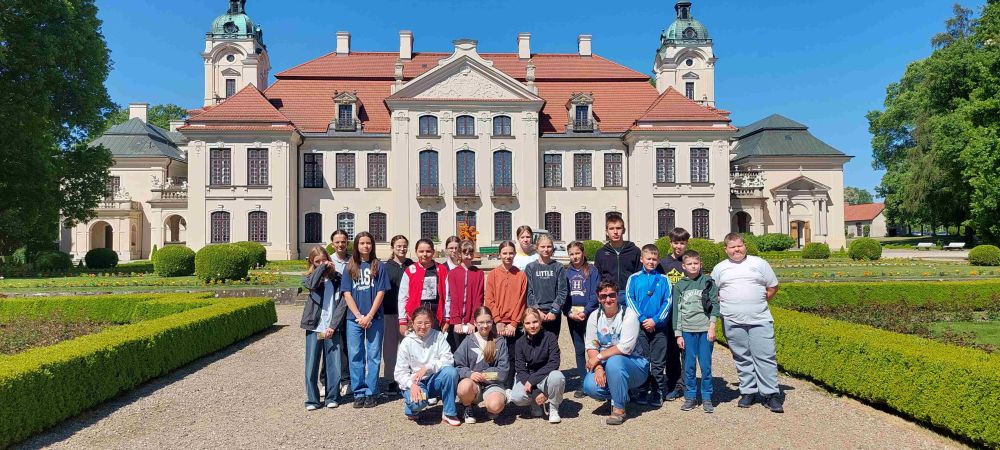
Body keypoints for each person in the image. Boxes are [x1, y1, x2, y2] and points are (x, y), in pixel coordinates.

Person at [711, 232, 783, 413]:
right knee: (741, 357)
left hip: (760, 318)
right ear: (725, 249)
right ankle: (748, 391)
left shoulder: (759, 263)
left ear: (745, 246)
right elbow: (713, 292)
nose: (737, 249)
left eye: (739, 246)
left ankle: (770, 394)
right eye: (732, 247)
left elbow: (773, 287)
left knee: (765, 356)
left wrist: (757, 302)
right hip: (732, 319)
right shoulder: (720, 268)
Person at [582, 281, 649, 425]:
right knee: (589, 386)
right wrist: (598, 368)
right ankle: (621, 393)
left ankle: (619, 409)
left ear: (617, 295)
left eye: (611, 295)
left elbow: (625, 347)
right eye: (603, 296)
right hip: (607, 364)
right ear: (598, 297)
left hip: (635, 364)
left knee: (615, 361)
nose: (608, 299)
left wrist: (598, 358)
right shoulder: (595, 316)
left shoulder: (628, 314)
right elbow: (591, 345)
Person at [341, 232, 389, 408]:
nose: (365, 246)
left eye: (368, 243)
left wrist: (369, 315)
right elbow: (347, 293)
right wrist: (359, 316)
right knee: (356, 355)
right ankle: (358, 392)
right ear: (356, 245)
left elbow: (381, 292)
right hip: (353, 319)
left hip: (374, 317)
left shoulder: (378, 266)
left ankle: (371, 391)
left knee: (374, 355)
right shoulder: (350, 266)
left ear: (372, 245)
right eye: (362, 243)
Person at [394, 307, 462, 426]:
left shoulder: (438, 336)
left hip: (434, 379)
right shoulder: (407, 342)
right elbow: (399, 373)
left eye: (427, 323)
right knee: (418, 403)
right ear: (413, 323)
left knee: (451, 372)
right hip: (416, 382)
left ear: (432, 323)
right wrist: (412, 385)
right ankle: (412, 407)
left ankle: (449, 413)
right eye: (419, 323)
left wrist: (428, 367)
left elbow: (449, 359)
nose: (423, 326)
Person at [625, 244, 672, 408]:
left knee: (658, 361)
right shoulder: (634, 278)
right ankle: (643, 388)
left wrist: (656, 320)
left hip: (659, 327)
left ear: (658, 260)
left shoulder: (664, 279)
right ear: (642, 259)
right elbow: (630, 299)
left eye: (654, 259)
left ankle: (658, 389)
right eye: (648, 259)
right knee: (643, 359)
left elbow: (668, 301)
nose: (651, 262)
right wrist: (643, 318)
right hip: (641, 326)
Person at [672, 250, 720, 413]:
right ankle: (690, 396)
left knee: (706, 366)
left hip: (705, 330)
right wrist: (678, 334)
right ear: (683, 266)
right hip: (687, 331)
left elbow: (715, 304)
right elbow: (676, 311)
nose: (693, 266)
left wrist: (712, 326)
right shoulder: (680, 286)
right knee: (689, 366)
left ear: (701, 265)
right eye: (689, 264)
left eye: (696, 263)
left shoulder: (708, 282)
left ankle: (706, 397)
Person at [301, 245, 346, 410]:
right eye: (317, 261)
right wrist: (320, 269)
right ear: (312, 263)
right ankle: (312, 400)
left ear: (329, 259)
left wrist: (333, 326)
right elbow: (313, 285)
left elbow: (342, 304)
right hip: (314, 326)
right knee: (312, 364)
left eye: (323, 260)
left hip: (332, 327)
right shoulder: (309, 277)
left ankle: (332, 397)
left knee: (333, 364)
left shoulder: (338, 279)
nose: (321, 264)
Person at [454, 306, 510, 424]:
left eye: (488, 322)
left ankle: (492, 407)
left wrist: (485, 375)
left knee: (495, 406)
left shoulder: (499, 341)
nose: (485, 325)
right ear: (475, 323)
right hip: (473, 384)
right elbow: (457, 365)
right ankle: (467, 406)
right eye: (481, 322)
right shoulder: (468, 341)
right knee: (464, 387)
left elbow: (503, 371)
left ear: (492, 321)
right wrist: (470, 374)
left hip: (493, 384)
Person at [510, 307, 565, 424]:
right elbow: (520, 369)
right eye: (528, 323)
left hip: (546, 375)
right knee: (516, 397)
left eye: (535, 322)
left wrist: (532, 381)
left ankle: (554, 407)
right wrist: (534, 392)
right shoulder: (519, 343)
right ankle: (535, 402)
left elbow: (554, 362)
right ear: (523, 324)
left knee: (557, 377)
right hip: (529, 377)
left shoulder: (550, 337)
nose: (532, 326)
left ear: (540, 321)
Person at [485, 240, 527, 387]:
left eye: (510, 253)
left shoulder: (521, 275)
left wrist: (514, 323)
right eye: (505, 253)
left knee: (513, 355)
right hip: (498, 323)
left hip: (514, 324)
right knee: (496, 354)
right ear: (499, 255)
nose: (508, 256)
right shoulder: (493, 275)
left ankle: (509, 386)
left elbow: (522, 301)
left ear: (515, 254)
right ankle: (495, 384)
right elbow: (489, 299)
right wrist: (498, 321)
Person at [656, 227, 689, 402]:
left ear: (686, 244)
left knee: (687, 351)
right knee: (671, 351)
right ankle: (674, 384)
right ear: (670, 243)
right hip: (669, 314)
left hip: (687, 314)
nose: (679, 246)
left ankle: (686, 383)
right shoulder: (663, 264)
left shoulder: (690, 261)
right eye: (676, 242)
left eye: (682, 243)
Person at [564, 241, 600, 398]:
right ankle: (584, 382)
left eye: (577, 253)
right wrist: (568, 312)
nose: (575, 256)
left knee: (594, 348)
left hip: (590, 315)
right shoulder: (566, 272)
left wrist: (586, 311)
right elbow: (563, 296)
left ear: (583, 253)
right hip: (573, 316)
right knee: (579, 350)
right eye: (572, 254)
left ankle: (598, 379)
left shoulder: (592, 270)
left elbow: (594, 294)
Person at [382, 235, 413, 395]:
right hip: (389, 311)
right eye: (398, 246)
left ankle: (407, 378)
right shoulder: (385, 267)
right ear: (393, 247)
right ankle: (390, 379)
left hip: (408, 315)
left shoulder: (412, 266)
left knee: (408, 347)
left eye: (404, 246)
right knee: (389, 348)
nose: (402, 249)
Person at [398, 238, 448, 333]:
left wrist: (446, 317)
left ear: (433, 252)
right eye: (421, 251)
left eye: (428, 251)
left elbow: (447, 296)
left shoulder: (441, 269)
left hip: (435, 312)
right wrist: (403, 320)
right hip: (416, 311)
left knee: (434, 343)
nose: (425, 254)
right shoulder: (410, 270)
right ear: (416, 252)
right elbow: (403, 297)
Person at [524, 234, 568, 337]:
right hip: (536, 313)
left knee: (552, 345)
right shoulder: (530, 267)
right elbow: (528, 292)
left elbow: (562, 291)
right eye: (543, 247)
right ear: (537, 248)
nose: (546, 249)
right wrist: (536, 311)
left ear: (552, 248)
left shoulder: (558, 267)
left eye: (549, 246)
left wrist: (554, 311)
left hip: (553, 314)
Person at [445, 240, 484, 351]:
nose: (468, 256)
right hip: (457, 323)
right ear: (459, 254)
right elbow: (453, 298)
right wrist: (456, 321)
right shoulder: (453, 273)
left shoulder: (478, 273)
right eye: (465, 253)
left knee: (472, 351)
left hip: (471, 322)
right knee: (457, 350)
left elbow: (479, 299)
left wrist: (473, 321)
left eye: (470, 253)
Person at [594, 215, 641, 303]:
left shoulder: (635, 251)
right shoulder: (600, 253)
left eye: (618, 228)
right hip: (608, 295)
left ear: (624, 230)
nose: (615, 232)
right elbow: (598, 278)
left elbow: (639, 275)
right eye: (611, 229)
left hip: (629, 295)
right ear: (606, 232)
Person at [329, 229, 352, 397]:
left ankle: (346, 379)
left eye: (343, 241)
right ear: (332, 244)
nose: (340, 244)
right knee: (328, 345)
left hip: (348, 307)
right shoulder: (328, 261)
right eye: (337, 242)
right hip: (331, 307)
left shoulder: (352, 261)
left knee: (346, 345)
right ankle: (327, 380)